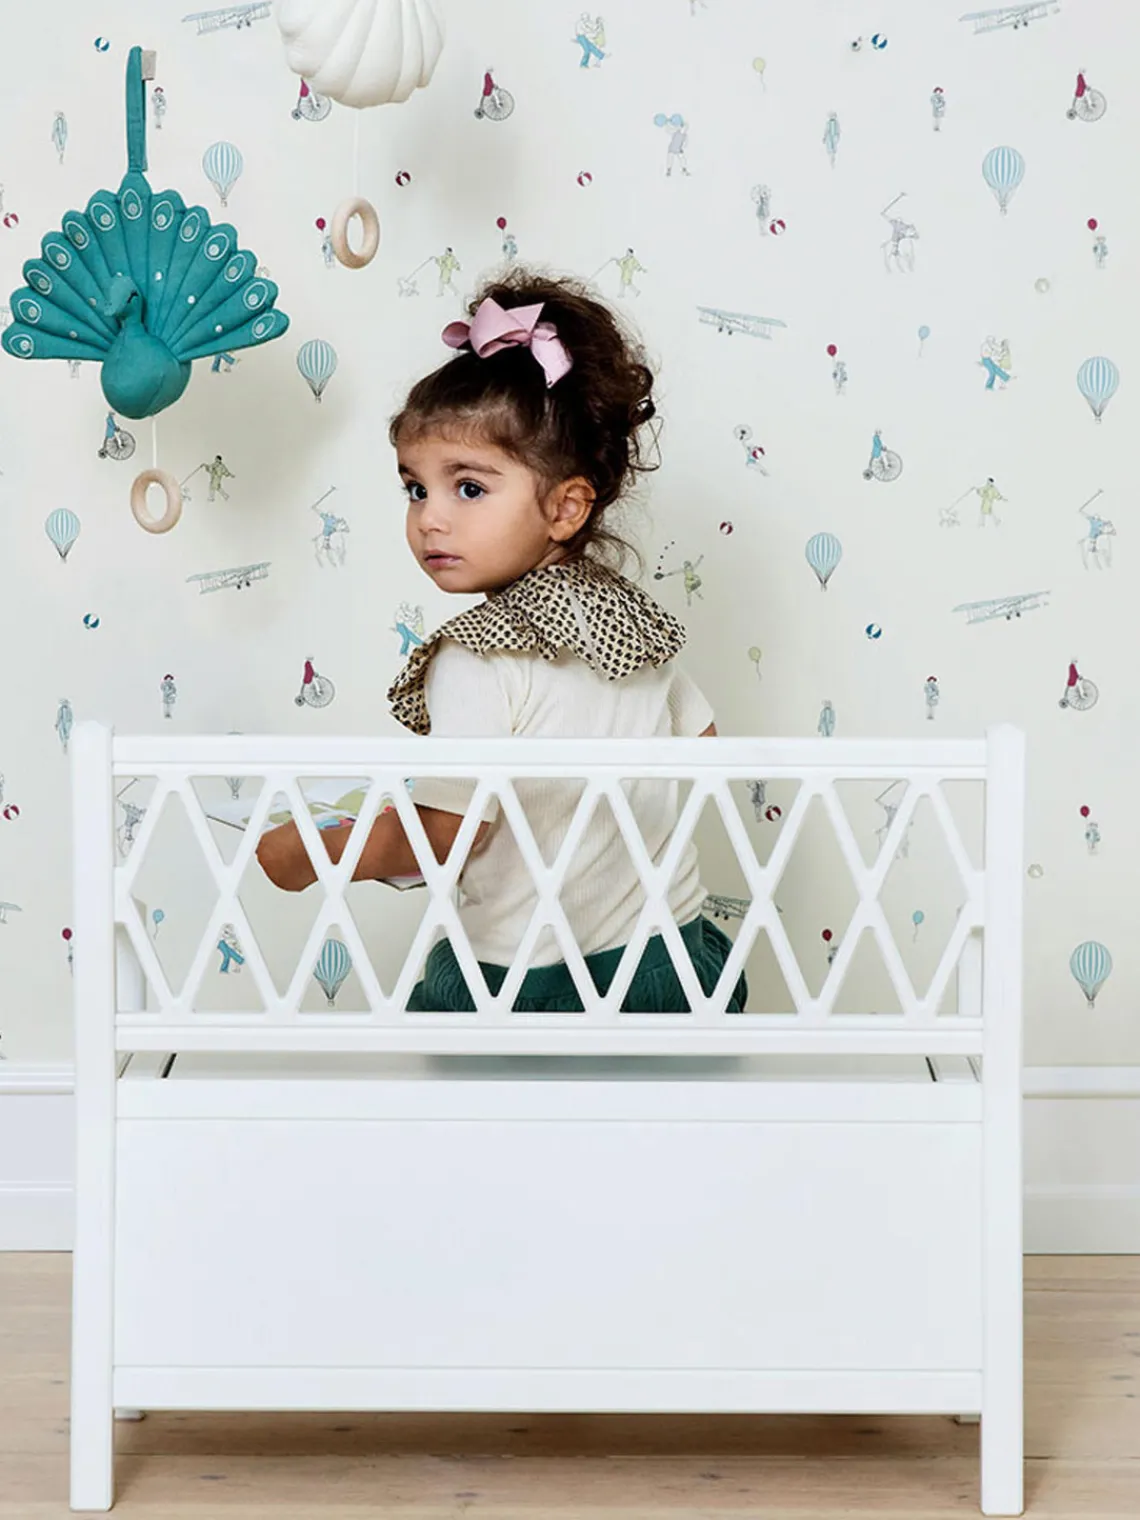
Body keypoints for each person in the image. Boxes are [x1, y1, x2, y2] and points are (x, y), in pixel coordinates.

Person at [256, 267, 747, 1014]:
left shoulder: (477, 656)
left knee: (440, 1015)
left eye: (469, 487)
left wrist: (310, 851)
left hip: (530, 986)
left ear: (566, 508)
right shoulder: (636, 627)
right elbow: (705, 750)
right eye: (415, 488)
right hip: (671, 970)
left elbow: (445, 837)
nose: (431, 517)